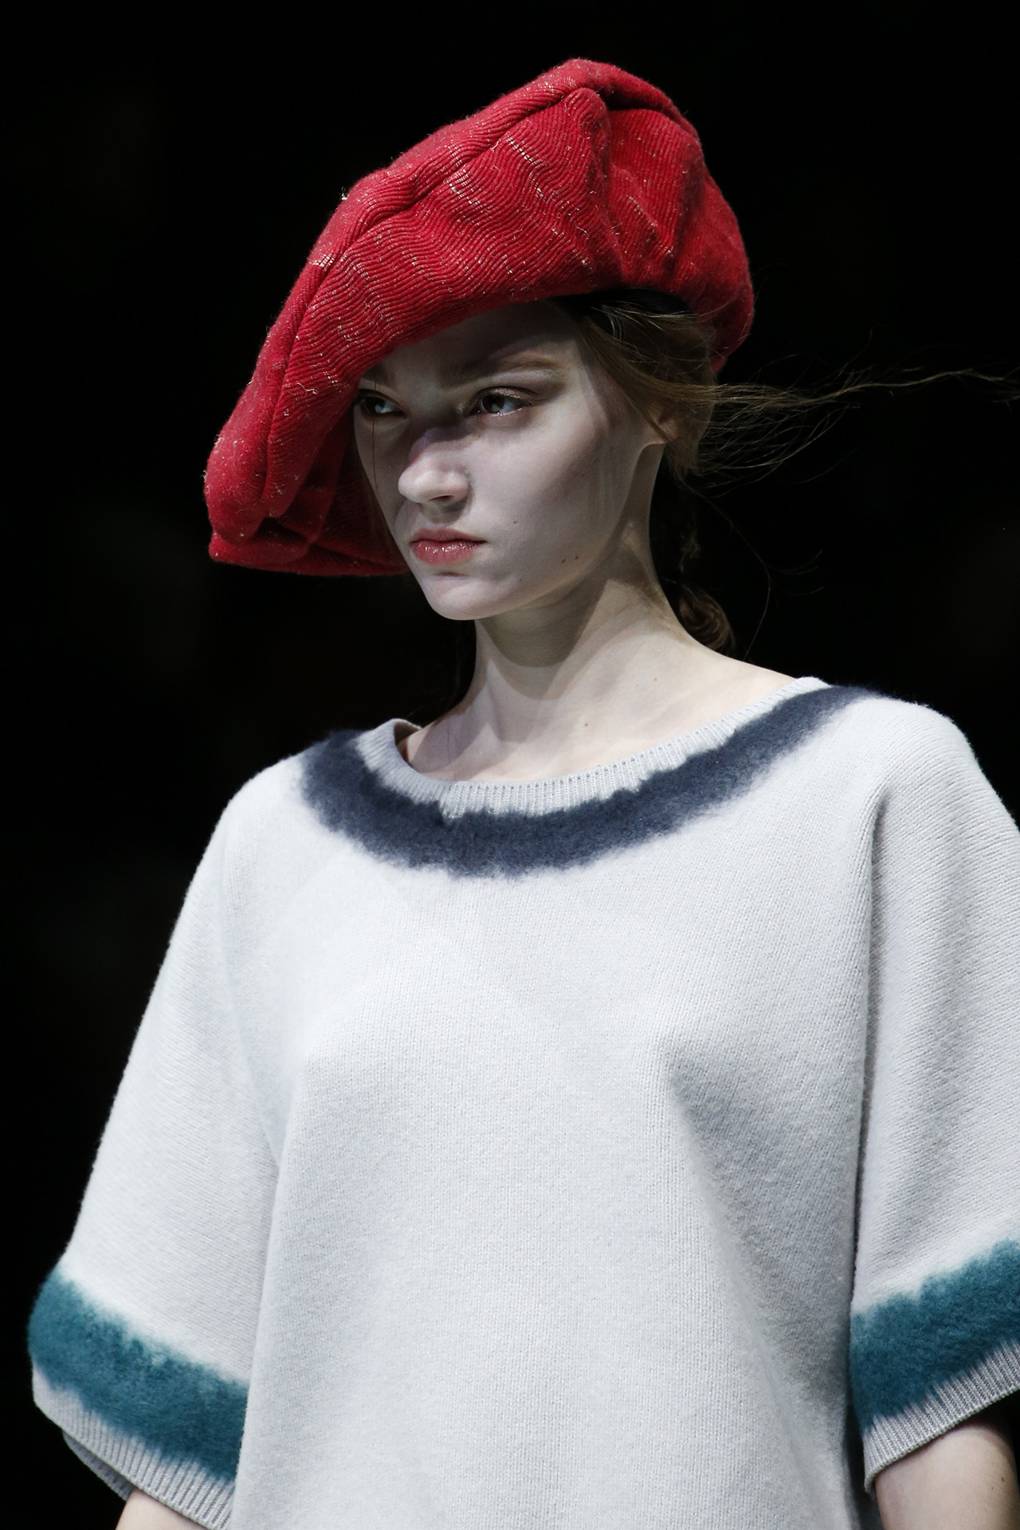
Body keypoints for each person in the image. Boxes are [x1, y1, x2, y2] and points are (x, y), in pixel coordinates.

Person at [26, 58, 1019, 1530]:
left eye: (497, 400)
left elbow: (939, 1407)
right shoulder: (284, 845)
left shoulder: (870, 802)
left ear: (664, 404)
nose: (425, 475)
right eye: (384, 410)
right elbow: (187, 1466)